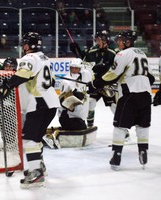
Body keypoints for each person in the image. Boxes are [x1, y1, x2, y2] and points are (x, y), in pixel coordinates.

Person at [0, 32, 60, 189]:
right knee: (36, 138)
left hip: (39, 104)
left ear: (28, 45)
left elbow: (24, 74)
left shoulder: (29, 58)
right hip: (50, 104)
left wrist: (6, 85)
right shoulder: (44, 58)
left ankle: (35, 172)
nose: (22, 46)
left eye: (24, 43)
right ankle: (38, 166)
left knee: (29, 139)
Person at [87, 30, 155, 170]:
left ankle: (116, 155)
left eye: (121, 40)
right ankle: (143, 150)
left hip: (130, 93)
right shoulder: (142, 54)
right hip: (146, 94)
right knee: (142, 125)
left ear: (128, 42)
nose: (118, 42)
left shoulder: (122, 54)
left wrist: (96, 83)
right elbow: (150, 77)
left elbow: (113, 73)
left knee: (120, 125)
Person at [70, 30, 117, 128]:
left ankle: (122, 129)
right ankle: (90, 126)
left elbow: (116, 70)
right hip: (94, 83)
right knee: (90, 103)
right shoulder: (92, 50)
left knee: (114, 107)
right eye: (96, 39)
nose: (97, 41)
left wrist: (106, 67)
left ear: (105, 40)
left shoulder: (113, 53)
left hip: (106, 84)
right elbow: (83, 59)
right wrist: (76, 50)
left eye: (99, 40)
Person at [43, 58, 93, 149]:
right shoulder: (66, 81)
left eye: (76, 68)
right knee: (80, 127)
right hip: (67, 116)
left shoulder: (86, 75)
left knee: (82, 126)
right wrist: (73, 97)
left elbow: (90, 73)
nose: (74, 70)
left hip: (79, 115)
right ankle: (52, 136)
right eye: (72, 68)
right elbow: (62, 101)